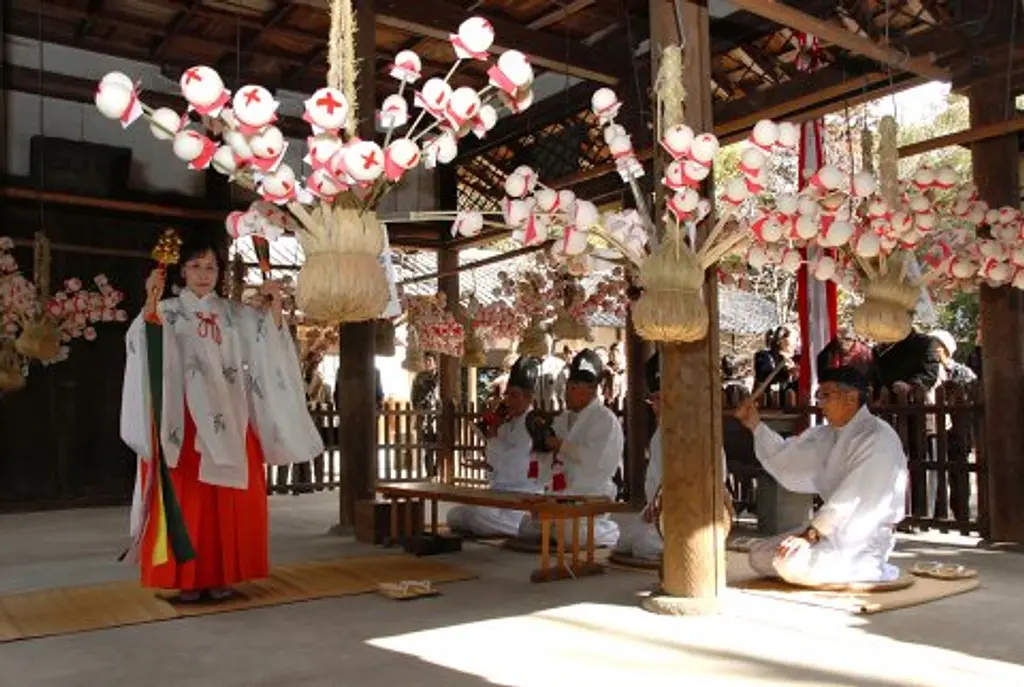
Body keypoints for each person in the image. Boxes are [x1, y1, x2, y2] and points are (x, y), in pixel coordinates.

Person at [120, 236, 323, 602]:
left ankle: (223, 575)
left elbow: (266, 338)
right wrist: (150, 301)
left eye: (210, 267)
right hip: (182, 420)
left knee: (228, 501)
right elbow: (140, 345)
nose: (203, 274)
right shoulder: (167, 310)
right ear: (182, 270)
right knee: (189, 500)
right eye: (196, 266)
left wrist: (273, 306)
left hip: (231, 415)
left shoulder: (234, 313)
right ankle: (188, 578)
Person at [736, 366, 908, 586]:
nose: (820, 403)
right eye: (819, 396)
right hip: (829, 530)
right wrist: (754, 424)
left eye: (826, 395)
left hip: (863, 536)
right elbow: (788, 455)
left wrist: (810, 535)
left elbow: (851, 497)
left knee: (789, 563)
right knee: (759, 555)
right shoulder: (827, 434)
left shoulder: (876, 438)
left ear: (851, 397)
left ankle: (873, 568)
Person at [518, 349, 622, 547]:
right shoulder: (563, 418)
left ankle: (610, 531)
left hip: (590, 493)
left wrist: (560, 445)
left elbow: (596, 460)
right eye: (567, 387)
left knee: (568, 534)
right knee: (527, 528)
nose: (566, 393)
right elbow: (548, 450)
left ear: (590, 390)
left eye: (573, 388)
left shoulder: (604, 420)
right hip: (561, 493)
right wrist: (543, 442)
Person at [448, 356, 543, 536]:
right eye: (508, 395)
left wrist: (492, 438)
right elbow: (500, 458)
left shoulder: (534, 424)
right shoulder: (508, 424)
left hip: (522, 492)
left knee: (479, 517)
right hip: (500, 492)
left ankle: (520, 529)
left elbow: (517, 464)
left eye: (514, 395)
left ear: (529, 397)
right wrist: (485, 464)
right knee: (456, 515)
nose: (508, 401)